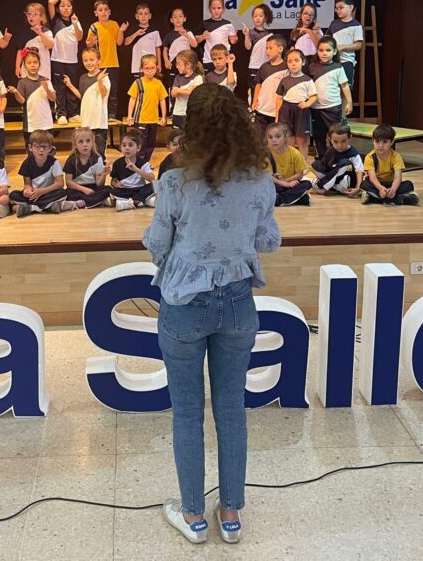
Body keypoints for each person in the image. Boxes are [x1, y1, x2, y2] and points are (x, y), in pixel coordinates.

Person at [142, 82, 280, 545]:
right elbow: (268, 241)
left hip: (185, 306)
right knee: (232, 409)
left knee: (187, 412)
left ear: (192, 129)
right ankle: (232, 514)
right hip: (238, 302)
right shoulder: (260, 181)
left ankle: (193, 516)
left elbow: (157, 244)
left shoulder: (175, 182)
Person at [9, 129, 80, 217]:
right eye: (37, 146)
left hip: (48, 192)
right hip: (34, 195)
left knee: (62, 193)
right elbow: (27, 184)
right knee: (13, 195)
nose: (41, 150)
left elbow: (60, 183)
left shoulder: (54, 162)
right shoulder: (26, 163)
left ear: (50, 148)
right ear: (30, 147)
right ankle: (48, 206)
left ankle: (32, 208)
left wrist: (42, 191)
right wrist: (28, 190)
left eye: (44, 147)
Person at [307, 36, 352, 156]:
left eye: (328, 50)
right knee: (318, 134)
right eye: (321, 50)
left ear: (335, 51)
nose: (324, 53)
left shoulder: (338, 67)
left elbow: (344, 86)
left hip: (332, 107)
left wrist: (349, 102)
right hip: (316, 108)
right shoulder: (312, 67)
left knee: (335, 134)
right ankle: (323, 157)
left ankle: (336, 157)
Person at [64, 47, 111, 156]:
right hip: (86, 121)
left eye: (92, 59)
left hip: (99, 122)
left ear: (98, 61)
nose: (88, 63)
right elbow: (82, 96)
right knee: (87, 152)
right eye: (85, 60)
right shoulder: (83, 78)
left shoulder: (104, 76)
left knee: (99, 151)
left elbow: (104, 93)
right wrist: (70, 85)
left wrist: (99, 80)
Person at [361, 124, 420, 205]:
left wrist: (393, 189)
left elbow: (398, 177)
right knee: (364, 184)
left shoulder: (396, 157)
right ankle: (399, 200)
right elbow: (372, 178)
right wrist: (381, 188)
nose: (380, 145)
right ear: (373, 140)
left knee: (409, 184)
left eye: (385, 142)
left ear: (392, 142)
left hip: (391, 184)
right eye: (377, 141)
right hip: (377, 185)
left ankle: (374, 198)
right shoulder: (369, 157)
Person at [48, 0, 84, 123]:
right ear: (58, 9)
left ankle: (73, 113)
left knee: (71, 86)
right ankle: (61, 113)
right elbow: (50, 3)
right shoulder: (55, 20)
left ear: (72, 8)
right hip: (57, 59)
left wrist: (75, 23)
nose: (66, 8)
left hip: (72, 61)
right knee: (60, 88)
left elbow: (79, 37)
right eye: (62, 6)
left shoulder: (76, 21)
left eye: (68, 6)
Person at [8, 49, 56, 146]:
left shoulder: (45, 80)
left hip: (46, 123)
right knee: (31, 149)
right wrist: (16, 92)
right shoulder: (22, 82)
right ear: (25, 65)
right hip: (31, 124)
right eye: (29, 63)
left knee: (48, 148)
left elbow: (53, 98)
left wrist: (47, 89)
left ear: (39, 64)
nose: (33, 65)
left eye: (35, 62)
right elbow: (22, 101)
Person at [274, 48, 316, 157]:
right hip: (286, 111)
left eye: (296, 60)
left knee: (302, 141)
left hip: (302, 111)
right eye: (290, 61)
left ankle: (302, 164)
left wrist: (307, 104)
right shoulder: (284, 80)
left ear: (303, 62)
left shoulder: (308, 80)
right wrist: (277, 116)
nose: (293, 64)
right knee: (289, 139)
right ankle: (290, 163)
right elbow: (279, 98)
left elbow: (314, 96)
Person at [85, 0, 123, 119]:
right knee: (99, 90)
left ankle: (112, 114)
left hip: (113, 63)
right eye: (100, 10)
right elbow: (88, 45)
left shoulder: (114, 24)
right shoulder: (94, 27)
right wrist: (92, 42)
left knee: (112, 91)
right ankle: (99, 113)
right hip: (99, 65)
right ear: (96, 13)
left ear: (109, 12)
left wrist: (121, 31)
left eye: (105, 10)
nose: (103, 12)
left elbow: (119, 42)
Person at [126, 55, 168, 162]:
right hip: (141, 119)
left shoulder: (158, 83)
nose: (149, 71)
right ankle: (139, 162)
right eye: (146, 68)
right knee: (141, 143)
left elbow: (162, 100)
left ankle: (146, 162)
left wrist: (163, 117)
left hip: (153, 119)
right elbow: (132, 100)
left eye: (152, 68)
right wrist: (130, 115)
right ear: (142, 69)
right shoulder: (138, 83)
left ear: (156, 68)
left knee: (151, 144)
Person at [63, 127, 112, 208]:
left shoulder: (98, 159)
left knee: (108, 189)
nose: (85, 144)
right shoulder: (71, 160)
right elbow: (68, 182)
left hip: (93, 189)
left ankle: (81, 203)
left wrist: (103, 175)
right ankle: (98, 201)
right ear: (75, 145)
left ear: (92, 143)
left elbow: (99, 184)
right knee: (66, 192)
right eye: (81, 141)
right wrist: (84, 189)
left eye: (88, 141)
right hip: (78, 189)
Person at [265, 122, 312, 206]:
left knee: (307, 184)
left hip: (290, 183)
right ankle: (294, 197)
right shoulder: (267, 154)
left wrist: (286, 181)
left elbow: (300, 175)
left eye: (278, 136)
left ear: (285, 137)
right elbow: (268, 177)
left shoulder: (294, 153)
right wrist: (283, 183)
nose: (274, 140)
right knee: (264, 184)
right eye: (270, 137)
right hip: (276, 184)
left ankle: (279, 199)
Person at [109, 128, 156, 211]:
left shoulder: (142, 162)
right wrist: (116, 185)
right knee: (110, 190)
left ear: (138, 148)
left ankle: (130, 202)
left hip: (140, 189)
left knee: (155, 185)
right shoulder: (117, 163)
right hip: (125, 190)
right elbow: (113, 181)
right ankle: (141, 201)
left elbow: (152, 179)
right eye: (124, 145)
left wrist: (136, 169)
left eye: (130, 145)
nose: (127, 148)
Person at [312, 121, 364, 196]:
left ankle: (320, 185)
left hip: (347, 181)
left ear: (350, 138)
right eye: (335, 142)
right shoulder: (330, 150)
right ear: (330, 139)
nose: (340, 145)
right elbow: (324, 167)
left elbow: (359, 172)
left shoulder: (353, 154)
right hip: (334, 180)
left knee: (345, 163)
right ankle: (335, 187)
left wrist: (358, 188)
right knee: (316, 164)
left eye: (343, 141)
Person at [251, 35, 287, 140]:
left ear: (280, 49)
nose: (267, 51)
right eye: (266, 48)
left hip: (276, 112)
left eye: (270, 48)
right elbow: (258, 84)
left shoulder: (286, 68)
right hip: (262, 109)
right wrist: (255, 101)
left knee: (275, 139)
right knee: (260, 138)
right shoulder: (264, 67)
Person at [327, 0, 365, 87]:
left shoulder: (356, 25)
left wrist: (342, 47)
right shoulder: (334, 24)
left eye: (341, 7)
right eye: (336, 8)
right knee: (333, 88)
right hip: (333, 61)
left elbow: (359, 45)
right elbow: (327, 39)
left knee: (345, 88)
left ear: (351, 7)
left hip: (347, 61)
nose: (338, 10)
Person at [15, 2, 55, 83]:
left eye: (34, 14)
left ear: (41, 17)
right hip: (27, 69)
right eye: (29, 14)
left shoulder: (46, 31)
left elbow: (50, 45)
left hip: (43, 70)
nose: (31, 16)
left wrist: (40, 33)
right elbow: (20, 50)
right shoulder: (25, 33)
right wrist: (17, 66)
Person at [123, 3, 162, 79]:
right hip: (137, 67)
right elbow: (126, 42)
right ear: (136, 16)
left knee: (152, 85)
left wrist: (159, 64)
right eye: (141, 14)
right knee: (139, 85)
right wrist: (136, 34)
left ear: (150, 16)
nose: (143, 16)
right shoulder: (133, 30)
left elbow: (158, 48)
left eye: (146, 14)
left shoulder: (155, 31)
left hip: (152, 66)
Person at [197, 0, 239, 64]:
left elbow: (233, 41)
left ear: (223, 9)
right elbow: (195, 41)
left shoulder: (228, 24)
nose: (216, 10)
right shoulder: (204, 24)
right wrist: (202, 37)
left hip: (224, 60)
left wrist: (235, 38)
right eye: (213, 8)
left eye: (219, 8)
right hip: (209, 60)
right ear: (210, 9)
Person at [169, 49, 204, 130]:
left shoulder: (198, 78)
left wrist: (179, 90)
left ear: (188, 64)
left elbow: (195, 93)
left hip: (191, 114)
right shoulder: (178, 78)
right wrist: (188, 91)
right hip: (178, 113)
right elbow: (173, 93)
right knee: (177, 136)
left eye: (178, 64)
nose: (176, 66)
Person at [241, 4, 274, 90]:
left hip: (266, 66)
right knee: (254, 91)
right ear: (252, 18)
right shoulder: (250, 32)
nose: (258, 18)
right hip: (254, 67)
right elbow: (248, 47)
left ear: (265, 18)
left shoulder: (269, 34)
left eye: (260, 16)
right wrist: (246, 35)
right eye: (255, 16)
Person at [161, 7, 198, 74]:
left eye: (180, 16)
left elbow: (194, 45)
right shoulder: (169, 35)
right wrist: (166, 61)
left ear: (184, 19)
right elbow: (165, 50)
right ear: (171, 20)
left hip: (187, 61)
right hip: (173, 62)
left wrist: (186, 35)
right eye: (175, 17)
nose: (178, 19)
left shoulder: (188, 33)